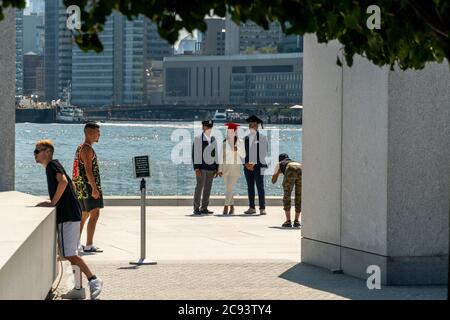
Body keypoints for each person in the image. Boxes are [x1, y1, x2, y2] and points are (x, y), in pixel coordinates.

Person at [34, 140, 103, 299]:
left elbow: (63, 181)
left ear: (48, 152)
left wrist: (52, 203)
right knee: (69, 253)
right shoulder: (53, 166)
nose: (35, 154)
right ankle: (78, 290)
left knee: (70, 254)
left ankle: (94, 280)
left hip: (67, 216)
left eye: (38, 151)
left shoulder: (52, 165)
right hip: (71, 214)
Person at [73, 122, 104, 253]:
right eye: (97, 132)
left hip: (81, 186)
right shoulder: (86, 149)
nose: (99, 135)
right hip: (88, 187)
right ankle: (89, 244)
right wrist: (94, 188)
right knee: (95, 214)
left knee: (84, 214)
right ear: (90, 133)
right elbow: (88, 170)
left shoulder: (81, 147)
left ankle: (75, 243)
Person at [192, 119, 219, 215]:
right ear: (203, 127)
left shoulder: (213, 139)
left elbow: (215, 154)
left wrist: (216, 168)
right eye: (207, 126)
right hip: (201, 167)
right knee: (199, 188)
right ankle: (196, 208)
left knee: (208, 188)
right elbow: (195, 154)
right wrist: (196, 168)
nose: (209, 129)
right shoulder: (198, 138)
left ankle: (204, 207)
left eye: (210, 127)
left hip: (211, 168)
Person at [218, 123, 246, 215]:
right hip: (225, 168)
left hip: (235, 168)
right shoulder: (224, 143)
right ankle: (232, 207)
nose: (230, 133)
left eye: (232, 131)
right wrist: (219, 169)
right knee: (229, 189)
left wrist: (237, 149)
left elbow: (243, 155)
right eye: (229, 131)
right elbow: (221, 157)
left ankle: (226, 206)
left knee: (230, 188)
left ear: (235, 132)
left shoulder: (240, 142)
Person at [243, 115, 268, 215]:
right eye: (250, 125)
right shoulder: (245, 138)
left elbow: (263, 153)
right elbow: (242, 152)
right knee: (250, 187)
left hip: (259, 166)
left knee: (260, 186)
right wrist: (246, 163)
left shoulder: (262, 137)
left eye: (254, 125)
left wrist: (253, 163)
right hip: (247, 166)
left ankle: (262, 208)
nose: (252, 127)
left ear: (257, 126)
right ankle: (252, 207)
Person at [272, 153, 302, 228]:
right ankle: (297, 221)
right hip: (300, 167)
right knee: (299, 196)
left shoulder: (280, 163)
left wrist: (278, 172)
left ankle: (288, 221)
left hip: (290, 168)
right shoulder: (293, 161)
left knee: (287, 195)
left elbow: (273, 181)